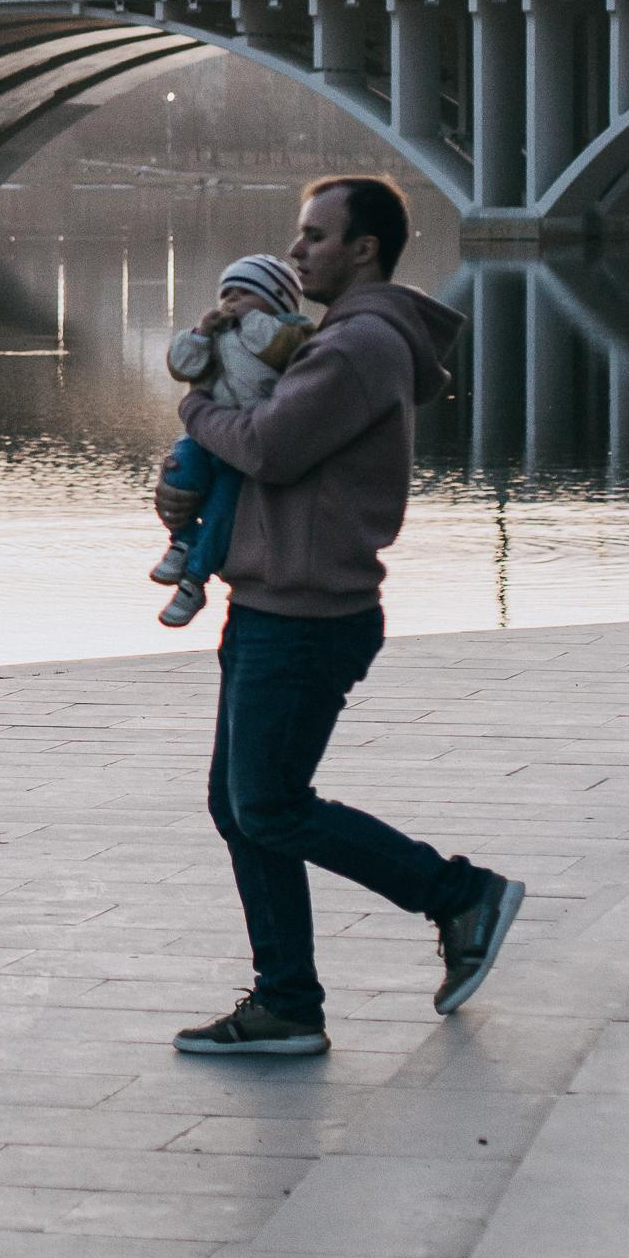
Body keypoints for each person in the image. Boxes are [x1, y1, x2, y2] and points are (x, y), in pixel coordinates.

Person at [162, 175, 523, 1059]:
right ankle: (286, 1001)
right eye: (298, 235)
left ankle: (456, 895)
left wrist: (192, 408)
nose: (296, 252)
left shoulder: (355, 347)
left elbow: (271, 448)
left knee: (270, 805)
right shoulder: (337, 342)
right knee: (242, 805)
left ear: (363, 249)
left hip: (307, 614)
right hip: (274, 602)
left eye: (314, 236)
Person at [146, 253, 315, 629]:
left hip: (244, 444)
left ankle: (194, 579)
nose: (232, 301)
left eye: (244, 293)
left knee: (223, 510)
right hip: (203, 437)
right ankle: (182, 540)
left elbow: (277, 347)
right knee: (177, 478)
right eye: (228, 293)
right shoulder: (217, 335)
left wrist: (253, 317)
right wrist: (201, 334)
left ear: (276, 300)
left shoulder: (293, 330)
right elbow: (182, 366)